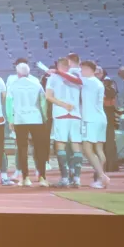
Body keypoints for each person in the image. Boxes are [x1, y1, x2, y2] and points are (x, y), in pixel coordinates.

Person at [6, 62, 50, 187]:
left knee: (22, 148)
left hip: (20, 120)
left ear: (18, 73)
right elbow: (43, 103)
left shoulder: (13, 85)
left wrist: (10, 120)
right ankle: (42, 177)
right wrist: (44, 117)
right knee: (39, 148)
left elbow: (9, 104)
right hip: (36, 118)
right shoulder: (36, 84)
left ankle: (25, 177)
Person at [46, 57, 83, 188]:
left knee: (60, 144)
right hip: (76, 115)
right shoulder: (77, 76)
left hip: (61, 114)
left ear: (58, 65)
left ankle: (65, 178)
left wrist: (63, 105)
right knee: (76, 145)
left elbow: (48, 96)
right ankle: (77, 178)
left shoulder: (53, 77)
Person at [80, 61, 110, 189]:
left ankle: (102, 176)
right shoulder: (97, 82)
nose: (81, 72)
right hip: (100, 118)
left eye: (82, 69)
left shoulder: (89, 81)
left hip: (90, 119)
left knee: (87, 149)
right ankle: (99, 179)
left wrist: (57, 72)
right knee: (99, 149)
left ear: (89, 69)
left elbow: (72, 78)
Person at [95, 67, 119, 172]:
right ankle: (103, 166)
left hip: (107, 113)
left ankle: (111, 166)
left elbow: (111, 94)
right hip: (98, 112)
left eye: (96, 73)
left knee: (109, 140)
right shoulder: (95, 82)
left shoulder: (108, 82)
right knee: (100, 141)